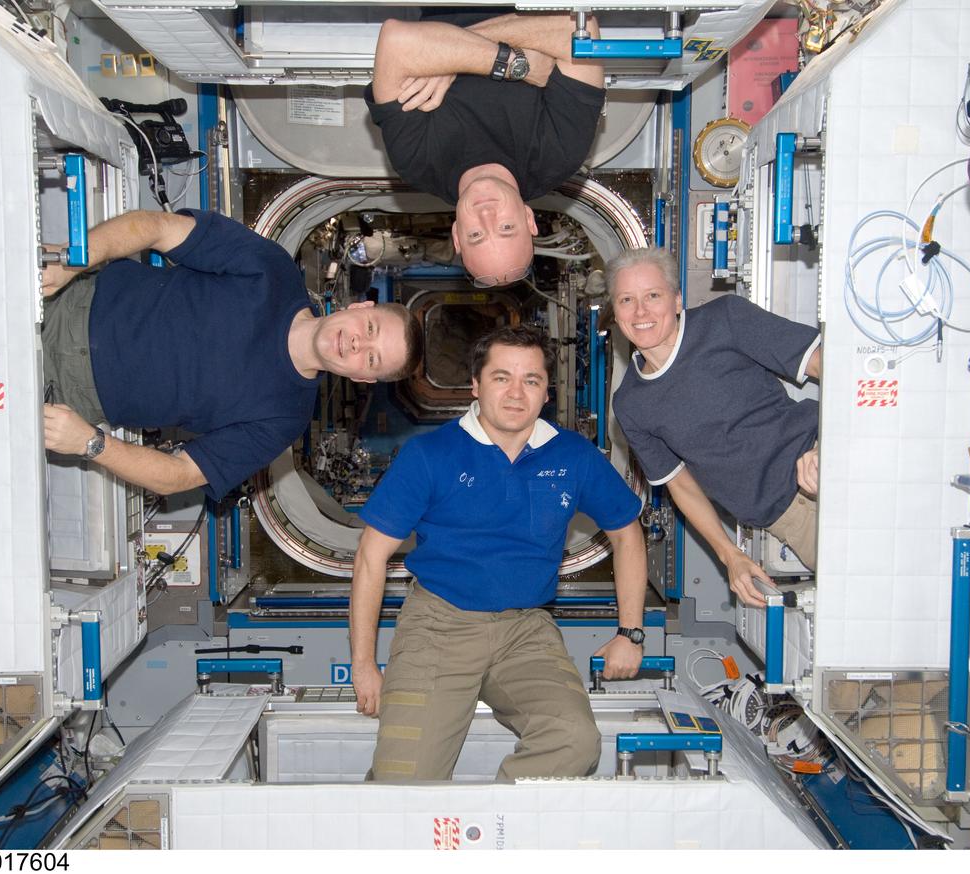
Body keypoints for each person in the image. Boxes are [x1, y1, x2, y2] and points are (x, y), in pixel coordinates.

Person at [349, 325, 647, 781]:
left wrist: (630, 632)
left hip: (525, 630)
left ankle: (496, 821)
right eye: (501, 377)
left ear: (547, 392)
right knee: (402, 784)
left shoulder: (572, 455)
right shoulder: (430, 454)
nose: (516, 393)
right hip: (438, 626)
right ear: (475, 384)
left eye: (531, 380)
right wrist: (364, 665)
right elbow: (371, 557)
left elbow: (627, 533)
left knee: (575, 741)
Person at [40, 208, 422, 501]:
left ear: (362, 377)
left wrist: (89, 443)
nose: (357, 344)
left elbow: (180, 475)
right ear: (359, 308)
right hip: (64, 299)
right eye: (370, 329)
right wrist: (73, 260)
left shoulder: (283, 420)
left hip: (66, 398)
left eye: (371, 359)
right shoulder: (272, 269)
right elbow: (158, 227)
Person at [605, 248, 821, 607]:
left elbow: (824, 362)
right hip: (790, 518)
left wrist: (828, 445)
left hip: (826, 462)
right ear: (615, 311)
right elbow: (680, 485)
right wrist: (729, 555)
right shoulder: (630, 404)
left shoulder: (726, 319)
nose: (640, 312)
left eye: (653, 295)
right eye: (627, 299)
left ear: (677, 300)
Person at [366, 13, 605, 287]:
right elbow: (578, 26)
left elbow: (395, 40)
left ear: (457, 236)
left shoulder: (417, 163)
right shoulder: (559, 154)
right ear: (529, 220)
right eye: (506, 228)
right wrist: (440, 53)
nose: (486, 215)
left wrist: (496, 63)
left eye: (476, 235)